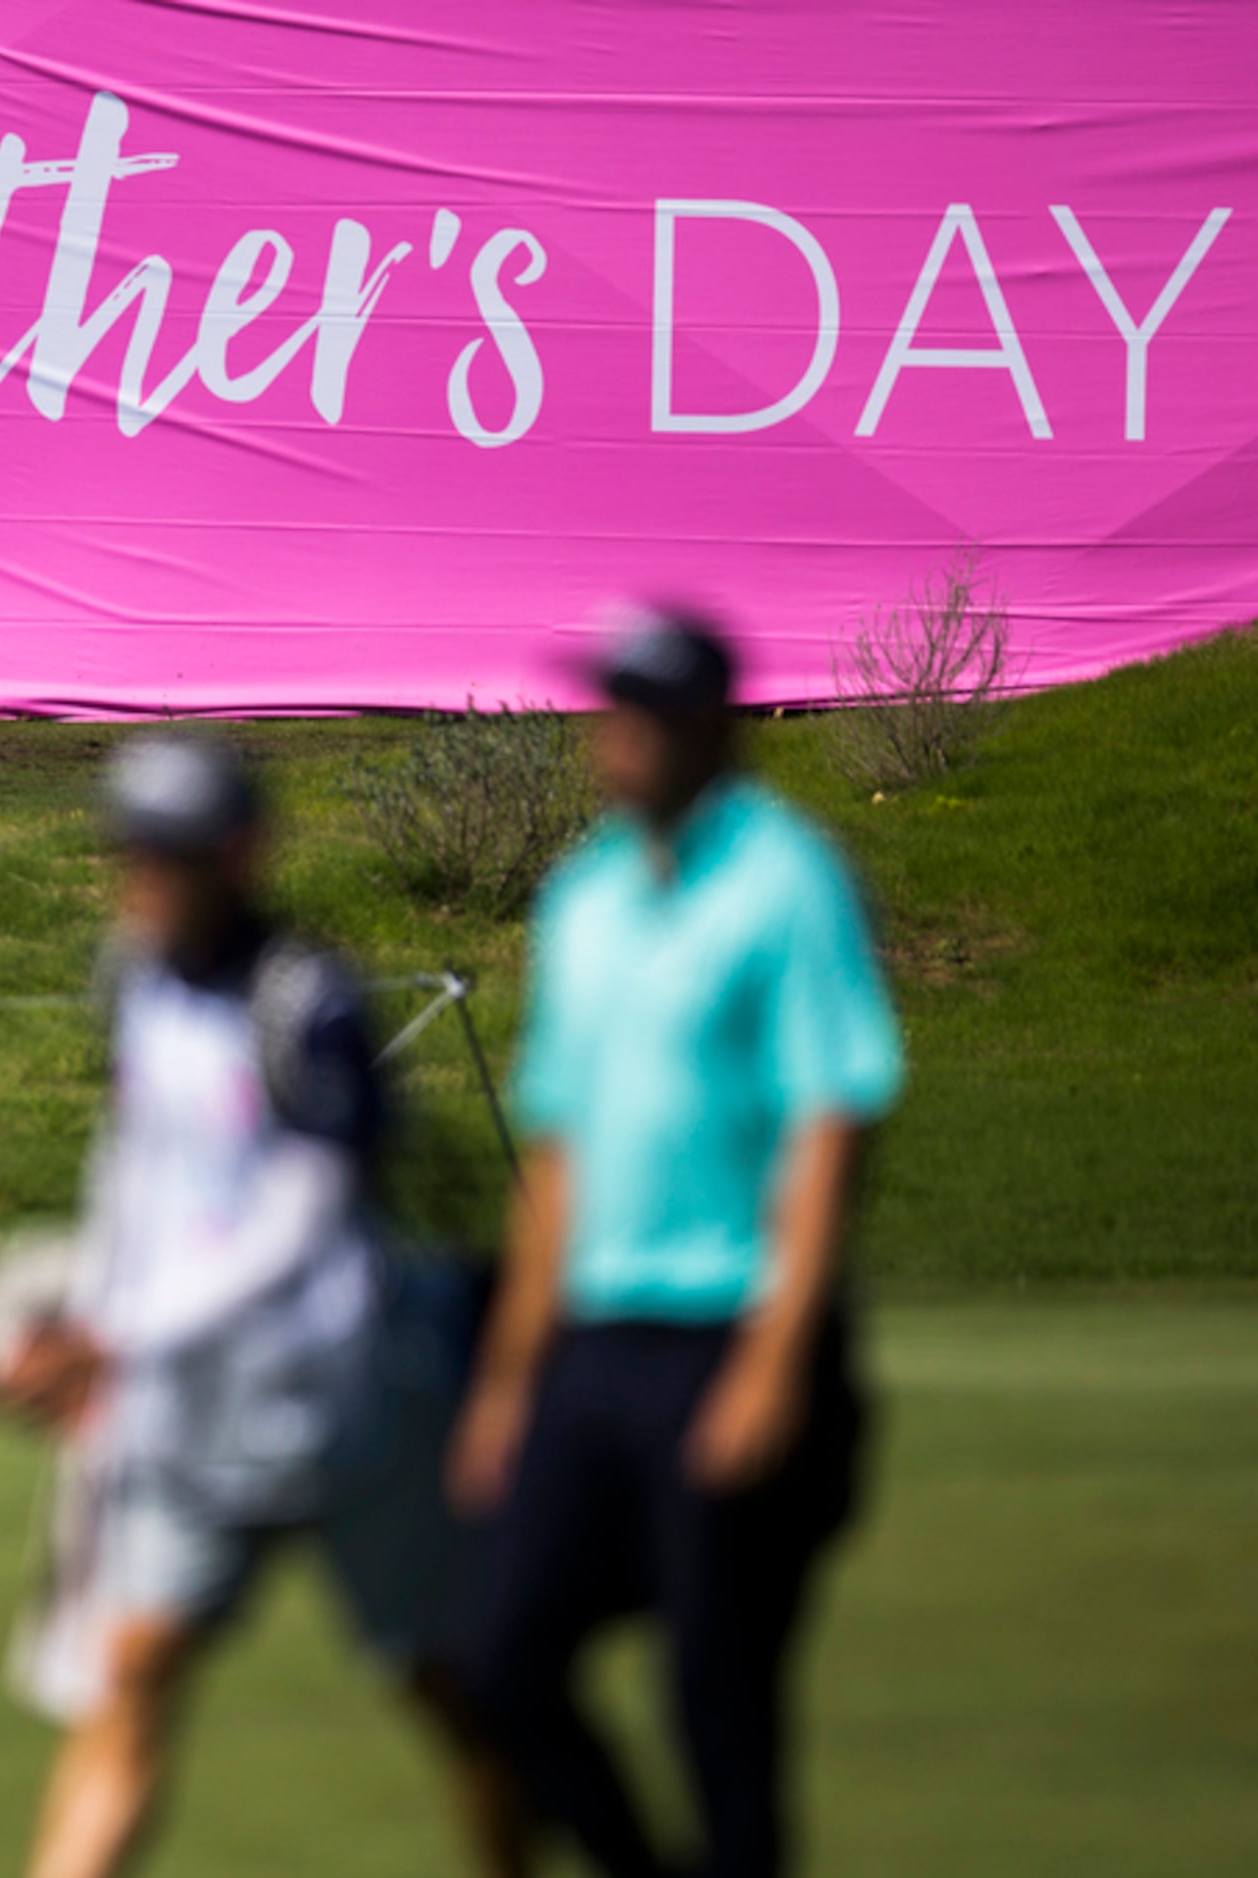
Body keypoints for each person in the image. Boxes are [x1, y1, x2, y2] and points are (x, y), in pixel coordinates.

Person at [0, 731, 526, 1878]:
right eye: (130, 852)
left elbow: (308, 1217)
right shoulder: (131, 976)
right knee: (130, 1683)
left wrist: (112, 1337)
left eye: (167, 855)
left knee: (454, 1691)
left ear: (237, 855)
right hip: (188, 1420)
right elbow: (136, 1173)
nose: (141, 878)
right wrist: (75, 1310)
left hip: (344, 1413)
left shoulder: (303, 997)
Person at [449, 608, 905, 1878]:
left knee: (719, 1694)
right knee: (500, 1658)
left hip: (732, 1330)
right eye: (611, 711)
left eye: (642, 716)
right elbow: (556, 1149)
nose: (617, 741)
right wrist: (503, 1382)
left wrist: (774, 1361)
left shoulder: (786, 877)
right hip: (595, 1344)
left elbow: (830, 1127)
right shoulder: (585, 892)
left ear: (711, 726)